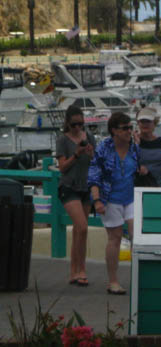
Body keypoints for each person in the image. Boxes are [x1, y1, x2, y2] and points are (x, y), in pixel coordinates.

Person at [88, 111, 148, 295]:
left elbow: (137, 167)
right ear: (114, 130)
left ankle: (139, 278)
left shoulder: (134, 148)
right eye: (125, 128)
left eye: (130, 128)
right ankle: (113, 281)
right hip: (110, 198)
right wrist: (97, 200)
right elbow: (94, 175)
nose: (129, 131)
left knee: (135, 235)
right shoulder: (104, 149)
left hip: (130, 197)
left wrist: (142, 170)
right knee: (114, 238)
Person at [55, 105, 96, 286]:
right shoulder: (63, 140)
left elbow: (96, 163)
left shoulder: (90, 138)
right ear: (68, 123)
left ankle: (76, 271)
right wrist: (77, 155)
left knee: (80, 231)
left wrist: (91, 154)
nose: (78, 128)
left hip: (85, 186)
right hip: (69, 187)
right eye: (74, 125)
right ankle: (80, 270)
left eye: (81, 124)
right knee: (82, 226)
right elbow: (62, 167)